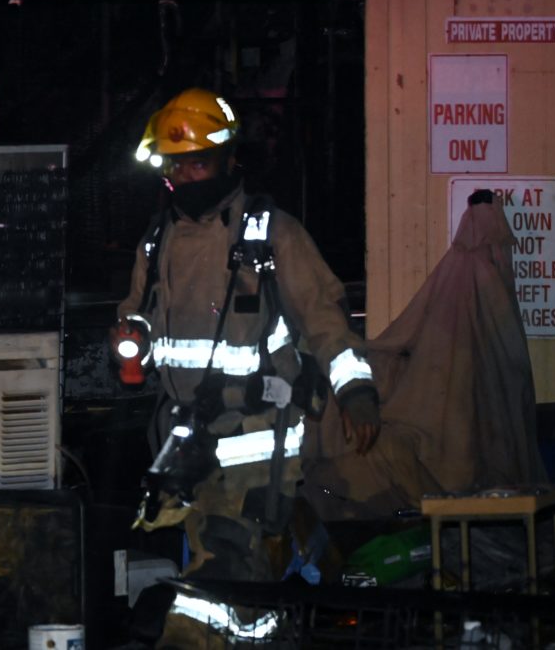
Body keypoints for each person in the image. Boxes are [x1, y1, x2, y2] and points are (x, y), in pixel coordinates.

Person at [112, 87, 383, 647]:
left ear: (228, 159)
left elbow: (326, 323)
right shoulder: (157, 241)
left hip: (257, 444)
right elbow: (138, 318)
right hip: (188, 443)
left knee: (220, 569)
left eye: (198, 163)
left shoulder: (271, 234)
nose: (186, 177)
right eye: (175, 165)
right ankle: (277, 624)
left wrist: (356, 393)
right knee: (243, 586)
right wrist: (131, 338)